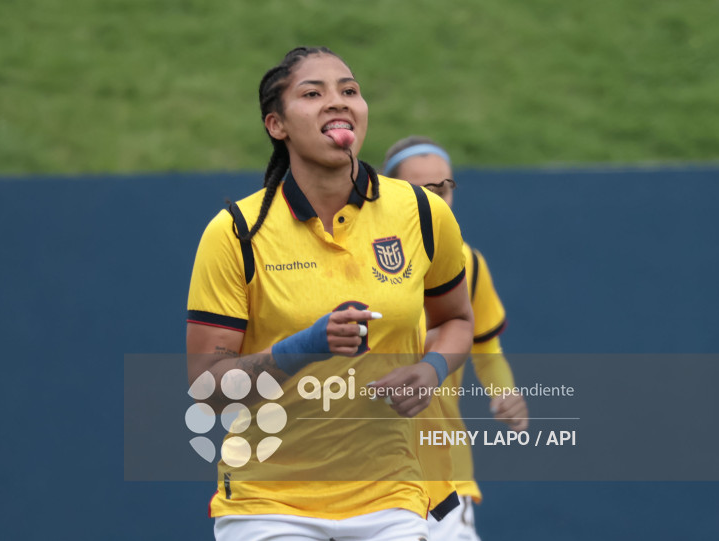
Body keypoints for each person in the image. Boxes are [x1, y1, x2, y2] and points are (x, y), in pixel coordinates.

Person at [186, 48, 475, 541]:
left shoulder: (423, 213)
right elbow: (209, 390)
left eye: (349, 91)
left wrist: (433, 368)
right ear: (276, 125)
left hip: (393, 499)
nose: (337, 103)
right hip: (268, 505)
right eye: (312, 93)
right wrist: (306, 347)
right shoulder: (235, 232)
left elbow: (456, 320)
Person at [383, 136, 530, 541]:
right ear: (389, 190)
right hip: (368, 469)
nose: (437, 199)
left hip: (444, 472)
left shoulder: (468, 261)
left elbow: (484, 345)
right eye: (422, 190)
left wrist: (504, 392)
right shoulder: (355, 257)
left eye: (444, 187)